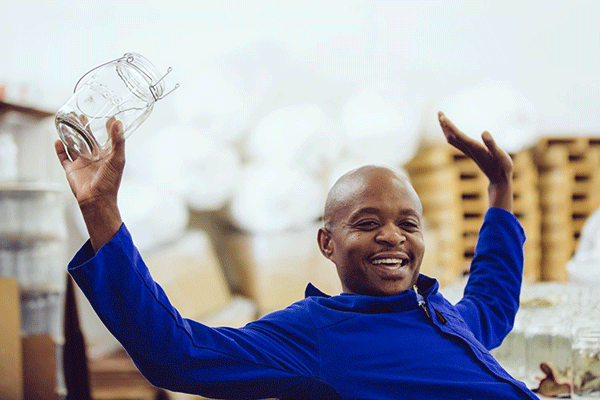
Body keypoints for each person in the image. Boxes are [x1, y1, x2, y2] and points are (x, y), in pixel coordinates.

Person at [55, 112, 538, 399]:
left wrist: (500, 188)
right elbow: (178, 355)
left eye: (408, 224)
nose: (393, 236)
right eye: (367, 223)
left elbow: (492, 302)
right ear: (327, 243)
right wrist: (100, 210)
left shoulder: (443, 316)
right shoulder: (314, 334)